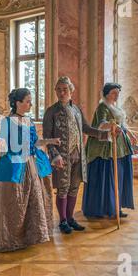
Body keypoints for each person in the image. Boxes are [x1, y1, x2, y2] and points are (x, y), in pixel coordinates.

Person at [0, 88, 60, 252]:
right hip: (14, 165)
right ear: (17, 103)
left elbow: (35, 143)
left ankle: (31, 236)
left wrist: (51, 141)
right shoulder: (7, 122)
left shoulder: (29, 121)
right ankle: (12, 239)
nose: (30, 104)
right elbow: (3, 144)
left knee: (33, 200)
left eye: (30, 101)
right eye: (28, 101)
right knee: (14, 203)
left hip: (30, 164)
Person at [43, 76, 110, 234]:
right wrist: (54, 155)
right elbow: (47, 137)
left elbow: (86, 128)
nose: (61, 92)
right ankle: (63, 220)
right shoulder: (51, 111)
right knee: (63, 189)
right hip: (61, 157)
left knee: (74, 188)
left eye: (64, 89)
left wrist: (106, 134)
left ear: (71, 91)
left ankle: (71, 218)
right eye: (58, 89)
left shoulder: (76, 110)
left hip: (78, 155)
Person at [82, 83, 136, 218]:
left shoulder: (115, 107)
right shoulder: (102, 107)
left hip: (121, 146)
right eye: (113, 93)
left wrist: (130, 133)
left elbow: (122, 124)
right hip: (105, 147)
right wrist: (113, 125)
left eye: (118, 92)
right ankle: (102, 208)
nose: (116, 95)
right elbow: (101, 124)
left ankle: (116, 207)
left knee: (119, 177)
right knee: (107, 178)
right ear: (106, 94)